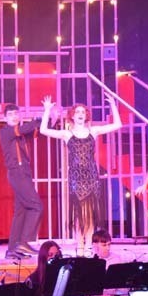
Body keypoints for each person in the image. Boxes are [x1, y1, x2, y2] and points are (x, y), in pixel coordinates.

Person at [40, 94, 122, 254]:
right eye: (77, 111)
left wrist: (113, 105)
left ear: (86, 116)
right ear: (72, 115)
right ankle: (80, 246)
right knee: (79, 214)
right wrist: (47, 110)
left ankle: (89, 247)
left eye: (83, 112)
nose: (80, 114)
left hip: (91, 177)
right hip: (76, 178)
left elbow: (118, 124)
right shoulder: (67, 134)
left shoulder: (94, 130)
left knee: (90, 214)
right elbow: (43, 130)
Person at [0, 103, 43, 259]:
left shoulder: (21, 133)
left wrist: (50, 116)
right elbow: (26, 128)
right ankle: (24, 242)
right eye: (10, 114)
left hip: (24, 172)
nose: (14, 116)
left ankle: (12, 249)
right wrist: (39, 118)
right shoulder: (5, 131)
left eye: (16, 114)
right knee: (37, 206)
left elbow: (38, 130)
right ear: (4, 118)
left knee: (21, 211)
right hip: (17, 173)